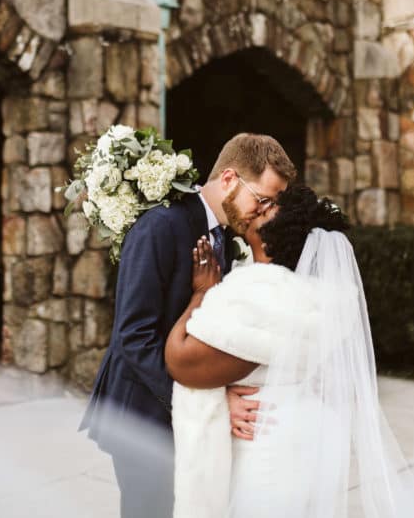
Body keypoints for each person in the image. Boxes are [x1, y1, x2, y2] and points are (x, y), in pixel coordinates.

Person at [166, 185, 414, 518]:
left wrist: (202, 293)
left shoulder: (258, 292)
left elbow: (181, 360)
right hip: (307, 436)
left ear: (279, 238)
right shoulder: (324, 298)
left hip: (265, 442)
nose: (258, 208)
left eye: (267, 210)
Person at [78, 133, 296, 518]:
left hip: (182, 416)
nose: (263, 213)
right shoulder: (161, 226)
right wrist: (208, 401)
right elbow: (133, 337)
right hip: (141, 414)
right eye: (262, 200)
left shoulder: (225, 237)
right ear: (229, 179)